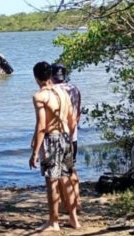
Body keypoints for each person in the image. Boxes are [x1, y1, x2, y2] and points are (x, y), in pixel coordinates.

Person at [29, 61, 81, 232]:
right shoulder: (63, 92)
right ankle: (74, 219)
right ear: (50, 75)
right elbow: (72, 119)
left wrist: (35, 151)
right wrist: (69, 138)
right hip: (66, 137)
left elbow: (41, 126)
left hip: (51, 139)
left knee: (52, 181)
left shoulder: (40, 96)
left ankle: (54, 221)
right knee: (65, 179)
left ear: (36, 77)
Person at [51, 63, 82, 212]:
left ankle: (66, 206)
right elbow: (78, 113)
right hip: (73, 135)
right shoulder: (74, 88)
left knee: (59, 174)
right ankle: (77, 201)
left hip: (59, 135)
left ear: (51, 76)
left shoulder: (53, 91)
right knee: (71, 168)